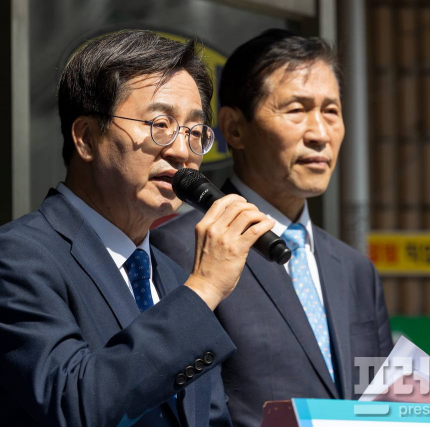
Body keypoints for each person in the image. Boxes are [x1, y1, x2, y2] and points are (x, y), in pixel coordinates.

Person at [0, 30, 275, 427]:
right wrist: (205, 289)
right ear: (86, 138)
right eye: (160, 124)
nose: (181, 151)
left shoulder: (172, 274)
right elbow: (75, 406)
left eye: (195, 132)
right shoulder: (14, 260)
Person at [151, 29, 393, 427]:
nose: (320, 134)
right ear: (234, 128)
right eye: (296, 110)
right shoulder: (178, 248)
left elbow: (383, 404)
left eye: (331, 111)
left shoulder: (355, 270)